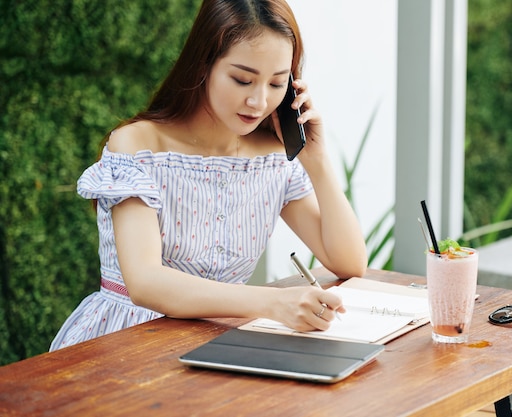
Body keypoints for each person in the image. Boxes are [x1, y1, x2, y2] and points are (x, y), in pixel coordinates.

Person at [50, 0, 367, 351]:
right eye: (242, 79)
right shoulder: (138, 146)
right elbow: (145, 283)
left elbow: (349, 262)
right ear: (203, 64)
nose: (259, 101)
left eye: (277, 84)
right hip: (125, 344)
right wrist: (272, 303)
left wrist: (316, 159)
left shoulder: (272, 159)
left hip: (218, 343)